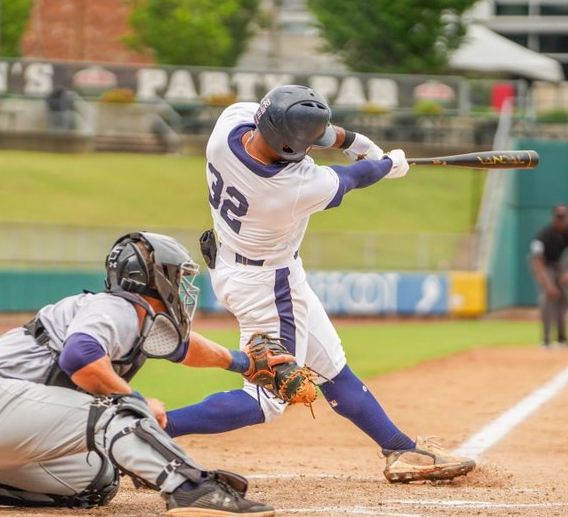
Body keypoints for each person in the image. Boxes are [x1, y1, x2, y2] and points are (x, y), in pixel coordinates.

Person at [164, 84, 476, 484]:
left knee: (331, 365)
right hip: (268, 285)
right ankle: (156, 426)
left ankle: (399, 449)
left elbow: (318, 138)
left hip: (236, 264)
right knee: (269, 397)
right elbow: (354, 177)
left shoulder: (228, 126)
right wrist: (387, 164)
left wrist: (354, 141)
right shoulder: (291, 188)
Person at [0, 232, 276, 517]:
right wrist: (135, 401)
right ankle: (191, 487)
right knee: (118, 409)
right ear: (157, 277)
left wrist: (244, 363)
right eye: (178, 276)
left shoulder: (134, 317)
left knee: (97, 480)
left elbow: (183, 347)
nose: (183, 287)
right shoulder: (117, 307)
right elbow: (80, 356)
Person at [530, 204, 568, 348]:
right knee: (547, 298)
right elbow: (537, 262)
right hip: (544, 265)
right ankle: (545, 339)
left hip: (559, 264)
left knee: (563, 297)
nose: (561, 220)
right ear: (554, 218)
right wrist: (548, 285)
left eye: (564, 217)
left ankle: (562, 338)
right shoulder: (543, 234)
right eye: (559, 217)